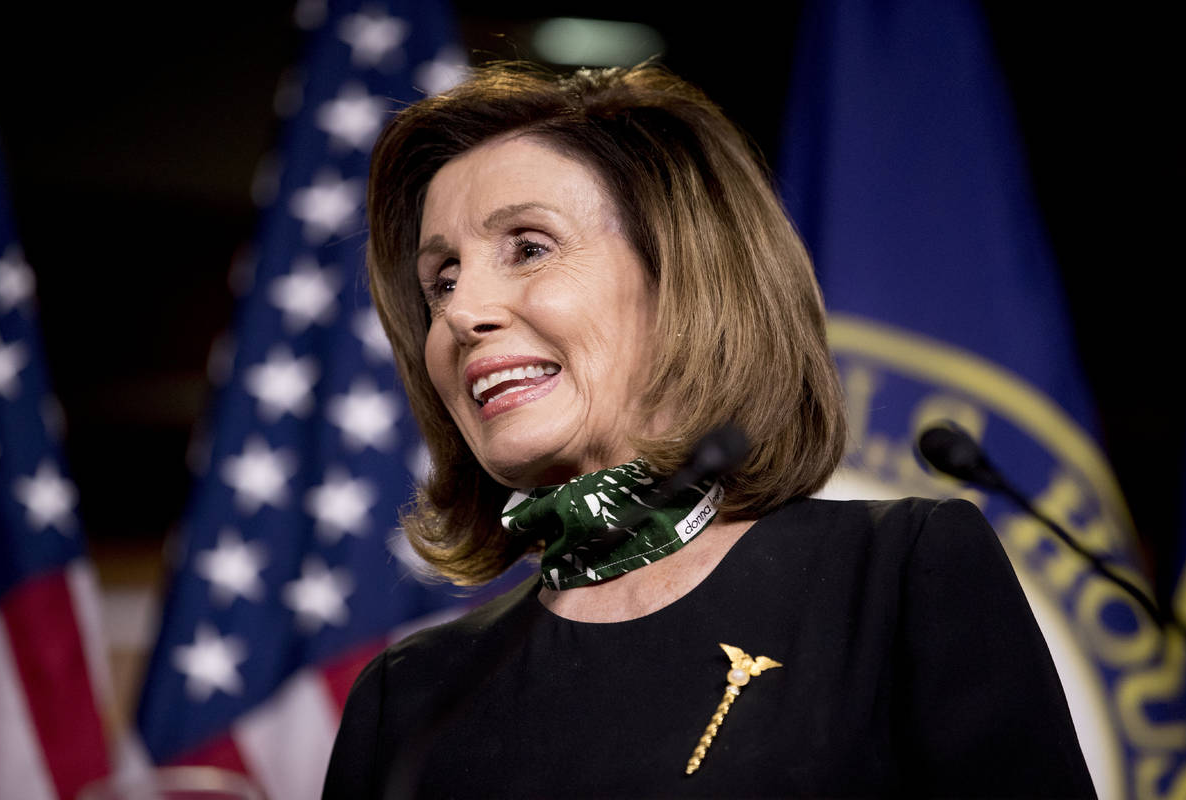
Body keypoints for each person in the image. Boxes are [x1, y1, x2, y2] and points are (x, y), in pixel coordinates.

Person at [323, 63, 1094, 798]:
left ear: (682, 273)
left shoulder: (897, 575)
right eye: (442, 281)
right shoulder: (410, 701)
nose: (460, 314)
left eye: (528, 247)